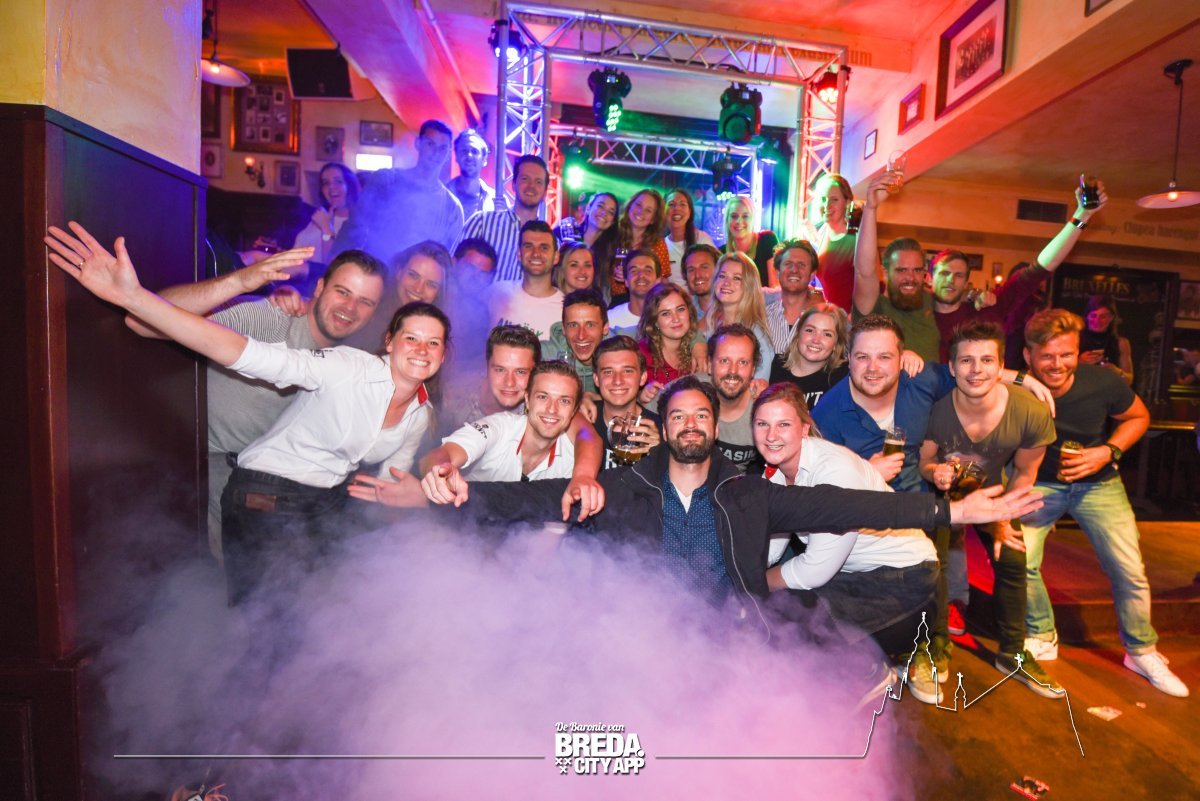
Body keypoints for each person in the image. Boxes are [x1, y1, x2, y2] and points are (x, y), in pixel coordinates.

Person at [417, 375, 1045, 631]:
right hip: (643, 631)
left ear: (715, 428)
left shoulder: (749, 492)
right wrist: (456, 489)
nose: (690, 424)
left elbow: (846, 506)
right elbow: (533, 497)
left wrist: (951, 513)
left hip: (727, 633)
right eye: (678, 416)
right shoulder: (624, 487)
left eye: (701, 415)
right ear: (663, 429)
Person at [45, 223, 444, 605]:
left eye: (365, 302)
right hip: (198, 462)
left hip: (283, 485)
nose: (350, 307)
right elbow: (145, 325)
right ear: (320, 287)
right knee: (236, 592)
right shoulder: (270, 317)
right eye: (342, 292)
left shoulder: (359, 360)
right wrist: (237, 282)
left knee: (288, 598)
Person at [1019, 309, 1188, 697]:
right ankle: (1042, 633)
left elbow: (1138, 417)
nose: (1058, 364)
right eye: (1047, 356)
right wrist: (1013, 377)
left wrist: (1108, 451)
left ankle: (1141, 651)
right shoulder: (1016, 387)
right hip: (1038, 485)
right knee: (1019, 560)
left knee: (1129, 569)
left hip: (1098, 485)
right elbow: (973, 372)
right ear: (1028, 356)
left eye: (1067, 354)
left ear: (1079, 351)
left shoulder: (1102, 381)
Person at [752, 384, 939, 700]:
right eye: (762, 424)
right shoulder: (776, 473)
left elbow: (814, 571)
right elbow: (774, 539)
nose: (771, 435)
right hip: (860, 574)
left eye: (783, 424)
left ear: (804, 428)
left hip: (907, 582)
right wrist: (744, 575)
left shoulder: (834, 471)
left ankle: (868, 671)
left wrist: (756, 584)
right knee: (775, 609)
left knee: (794, 614)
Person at [919, 321, 1063, 698]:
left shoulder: (1030, 411)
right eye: (966, 360)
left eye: (986, 360)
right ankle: (936, 645)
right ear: (952, 367)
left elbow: (1025, 473)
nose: (976, 369)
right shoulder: (937, 410)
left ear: (1002, 368)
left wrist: (1002, 519)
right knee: (936, 565)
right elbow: (925, 461)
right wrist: (936, 472)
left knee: (1013, 555)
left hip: (996, 493)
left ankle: (1012, 653)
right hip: (946, 496)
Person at [929, 180, 1108, 362]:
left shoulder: (987, 308)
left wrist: (1082, 216)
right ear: (929, 278)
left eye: (959, 275)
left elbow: (1041, 267)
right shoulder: (917, 312)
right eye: (944, 273)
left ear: (966, 282)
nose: (951, 280)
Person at [333, 120, 463, 263]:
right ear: (418, 143)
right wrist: (334, 265)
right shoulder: (386, 181)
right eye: (430, 144)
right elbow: (353, 228)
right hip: (376, 270)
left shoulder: (451, 207)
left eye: (442, 148)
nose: (436, 152)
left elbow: (443, 261)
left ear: (449, 153)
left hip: (417, 276)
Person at [852, 172, 939, 362]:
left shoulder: (930, 301)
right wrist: (871, 208)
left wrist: (976, 297)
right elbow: (864, 272)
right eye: (901, 270)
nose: (910, 277)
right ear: (885, 272)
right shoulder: (873, 307)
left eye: (917, 270)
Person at [438, 325, 540, 436]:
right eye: (500, 370)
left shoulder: (539, 416)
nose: (509, 382)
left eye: (520, 372)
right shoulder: (451, 395)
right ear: (487, 367)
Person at [462, 154, 549, 282]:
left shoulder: (549, 242)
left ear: (545, 192)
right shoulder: (481, 223)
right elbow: (455, 269)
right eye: (525, 178)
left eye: (538, 182)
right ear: (513, 184)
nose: (531, 186)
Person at [591, 336, 661, 470]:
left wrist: (659, 453)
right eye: (608, 372)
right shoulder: (582, 421)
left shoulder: (659, 430)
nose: (618, 381)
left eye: (627, 371)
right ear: (596, 379)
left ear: (642, 378)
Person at [487, 220, 563, 340]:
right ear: (519, 254)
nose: (536, 253)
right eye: (529, 246)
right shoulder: (496, 293)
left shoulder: (565, 308)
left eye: (544, 248)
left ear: (556, 257)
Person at [704, 252, 774, 381]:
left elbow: (758, 387)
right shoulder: (711, 324)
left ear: (750, 286)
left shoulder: (757, 336)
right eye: (722, 276)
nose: (726, 283)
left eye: (736, 278)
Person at [703, 324, 764, 473]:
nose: (733, 371)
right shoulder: (685, 392)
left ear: (753, 369)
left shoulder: (764, 410)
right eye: (724, 361)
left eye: (743, 362)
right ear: (710, 364)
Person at [769, 303, 851, 410]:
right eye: (810, 330)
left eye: (827, 334)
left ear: (836, 344)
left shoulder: (843, 378)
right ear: (798, 334)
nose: (816, 340)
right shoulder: (773, 366)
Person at [636, 282, 707, 403]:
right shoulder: (641, 354)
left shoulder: (697, 350)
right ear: (655, 321)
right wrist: (640, 398)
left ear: (689, 312)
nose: (676, 319)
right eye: (666, 314)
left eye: (680, 309)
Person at [293, 162, 359, 276]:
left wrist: (326, 228)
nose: (331, 187)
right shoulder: (319, 215)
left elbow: (332, 268)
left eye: (338, 181)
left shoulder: (356, 225)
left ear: (349, 186)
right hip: (294, 276)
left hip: (315, 281)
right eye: (326, 183)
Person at [541, 289, 609, 394]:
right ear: (563, 328)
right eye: (573, 325)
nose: (581, 336)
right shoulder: (545, 355)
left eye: (590, 325)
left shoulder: (620, 352)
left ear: (605, 328)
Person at [555, 192, 619, 301]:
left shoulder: (608, 253)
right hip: (557, 297)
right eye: (600, 206)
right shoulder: (566, 232)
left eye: (611, 212)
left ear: (612, 222)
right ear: (588, 208)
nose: (604, 213)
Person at [765, 239, 824, 353]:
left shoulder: (826, 321)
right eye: (788, 264)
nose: (794, 270)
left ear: (812, 274)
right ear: (777, 272)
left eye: (801, 265)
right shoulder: (762, 319)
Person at [614, 189, 671, 300]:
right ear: (630, 206)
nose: (641, 211)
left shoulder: (658, 244)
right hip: (615, 300)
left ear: (653, 219)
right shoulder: (613, 235)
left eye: (648, 210)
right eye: (638, 205)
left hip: (647, 299)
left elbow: (663, 280)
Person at [813, 173, 856, 311]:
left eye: (834, 199)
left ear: (847, 203)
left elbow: (873, 287)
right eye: (823, 199)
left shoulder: (856, 241)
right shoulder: (822, 233)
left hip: (849, 320)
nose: (827, 205)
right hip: (830, 317)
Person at [722, 195, 778, 289]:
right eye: (734, 216)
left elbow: (774, 287)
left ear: (753, 219)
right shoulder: (721, 253)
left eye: (745, 216)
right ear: (727, 220)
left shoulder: (767, 240)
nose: (739, 221)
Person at [663, 189, 715, 284]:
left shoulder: (701, 239)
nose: (677, 208)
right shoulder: (662, 247)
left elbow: (718, 269)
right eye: (671, 204)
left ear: (690, 212)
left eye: (682, 204)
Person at [607, 249, 663, 336]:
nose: (641, 275)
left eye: (648, 270)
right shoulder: (610, 320)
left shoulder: (669, 319)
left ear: (658, 280)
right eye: (634, 271)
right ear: (626, 281)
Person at [1080, 294, 1134, 384]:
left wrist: (1116, 371)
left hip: (1108, 390)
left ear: (1111, 317)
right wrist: (1079, 362)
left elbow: (1129, 380)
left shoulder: (1121, 343)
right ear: (1087, 316)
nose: (1097, 321)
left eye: (1103, 316)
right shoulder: (1074, 339)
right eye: (1093, 316)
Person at [446, 128, 495, 221]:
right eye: (464, 151)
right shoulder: (441, 197)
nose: (469, 156)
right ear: (456, 156)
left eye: (475, 151)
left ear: (484, 159)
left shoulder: (495, 201)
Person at [683, 243, 721, 320]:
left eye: (704, 267)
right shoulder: (685, 314)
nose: (697, 275)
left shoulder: (737, 308)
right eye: (691, 270)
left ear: (719, 270)